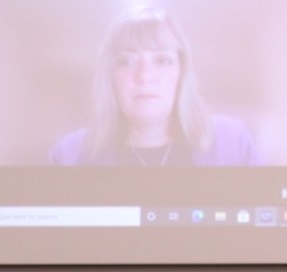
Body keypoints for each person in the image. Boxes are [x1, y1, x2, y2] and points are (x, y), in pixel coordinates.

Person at [49, 6, 260, 166]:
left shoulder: (233, 143)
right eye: (127, 61)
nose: (145, 76)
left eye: (162, 61)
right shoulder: (69, 155)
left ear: (182, 73)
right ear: (110, 77)